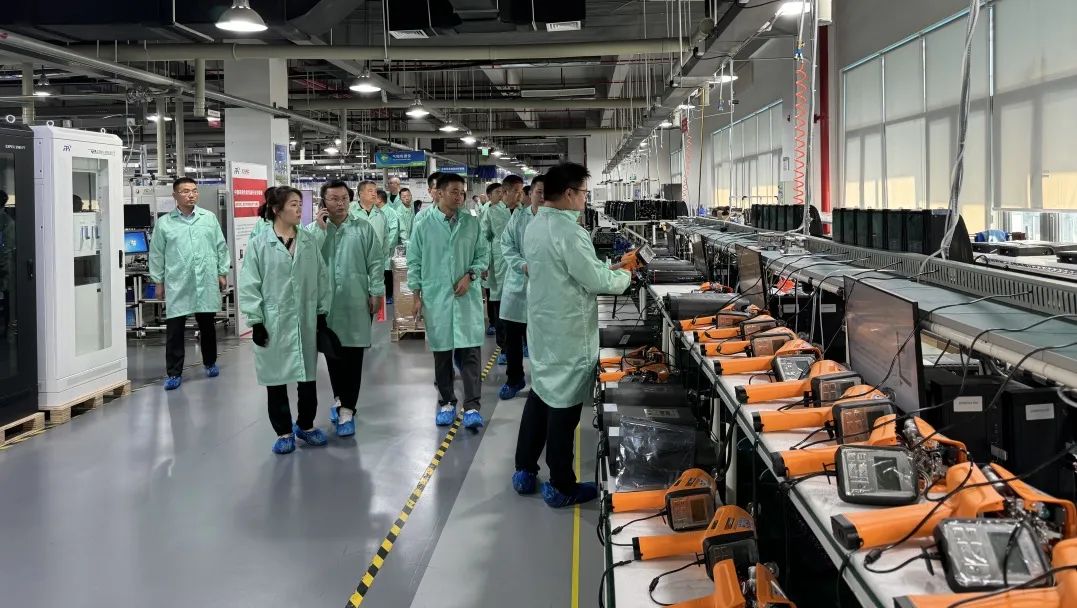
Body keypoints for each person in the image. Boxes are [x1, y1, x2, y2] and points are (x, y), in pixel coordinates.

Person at [513, 163, 631, 508]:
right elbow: (594, 281)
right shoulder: (569, 231)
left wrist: (608, 268)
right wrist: (626, 275)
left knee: (541, 395)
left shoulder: (535, 225)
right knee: (563, 410)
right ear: (569, 193)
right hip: (568, 333)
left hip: (544, 328)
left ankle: (524, 469)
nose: (584, 200)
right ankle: (562, 486)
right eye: (583, 193)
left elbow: (571, 270)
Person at [239, 186, 330, 454]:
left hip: (305, 319)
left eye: (300, 204)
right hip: (272, 321)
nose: (299, 209)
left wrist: (321, 314)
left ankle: (306, 425)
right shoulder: (259, 244)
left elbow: (321, 278)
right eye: (293, 204)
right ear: (276, 209)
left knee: (308, 378)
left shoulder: (308, 241)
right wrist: (256, 321)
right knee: (276, 380)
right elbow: (249, 284)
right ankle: (283, 432)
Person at [406, 172, 488, 430]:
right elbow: (414, 262)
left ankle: (472, 406)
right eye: (454, 191)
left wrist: (470, 275)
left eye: (462, 192)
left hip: (466, 297)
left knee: (470, 354)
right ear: (439, 193)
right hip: (437, 297)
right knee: (442, 355)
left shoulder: (471, 223)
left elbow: (482, 255)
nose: (459, 196)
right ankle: (447, 402)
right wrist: (416, 296)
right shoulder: (423, 225)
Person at [305, 180, 384, 437]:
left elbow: (375, 262)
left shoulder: (363, 228)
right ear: (323, 202)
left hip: (356, 301)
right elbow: (306, 260)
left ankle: (348, 409)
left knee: (354, 356)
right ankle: (340, 399)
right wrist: (320, 230)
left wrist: (376, 291)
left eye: (344, 199)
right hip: (326, 305)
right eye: (333, 199)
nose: (340, 204)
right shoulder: (312, 231)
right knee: (333, 355)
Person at [149, 177, 231, 391]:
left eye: (194, 191)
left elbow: (220, 246)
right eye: (185, 191)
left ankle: (210, 362)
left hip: (205, 279)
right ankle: (174, 373)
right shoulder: (165, 223)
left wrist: (222, 272)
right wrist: (158, 281)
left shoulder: (208, 218)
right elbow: (156, 253)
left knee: (207, 326)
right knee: (175, 330)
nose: (191, 195)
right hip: (178, 282)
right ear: (175, 195)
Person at [497, 175, 543, 400]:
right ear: (530, 193)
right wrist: (521, 264)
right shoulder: (519, 217)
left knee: (540, 341)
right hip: (517, 287)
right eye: (539, 192)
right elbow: (506, 244)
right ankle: (514, 379)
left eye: (547, 193)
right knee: (513, 340)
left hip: (544, 289)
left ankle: (542, 383)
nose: (542, 197)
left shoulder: (554, 220)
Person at [482, 174, 523, 361]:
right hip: (499, 261)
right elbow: (484, 237)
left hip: (520, 263)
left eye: (521, 192)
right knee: (500, 306)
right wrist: (485, 262)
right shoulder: (491, 211)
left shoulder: (524, 211)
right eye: (516, 191)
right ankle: (504, 348)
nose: (519, 195)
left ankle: (523, 343)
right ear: (505, 192)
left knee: (521, 304)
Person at [351, 182, 397, 306]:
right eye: (370, 191)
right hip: (354, 264)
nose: (374, 194)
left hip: (375, 265)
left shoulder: (381, 215)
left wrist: (383, 261)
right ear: (360, 194)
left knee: (373, 304)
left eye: (375, 191)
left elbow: (385, 241)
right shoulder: (350, 213)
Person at [375, 189, 402, 304]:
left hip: (387, 249)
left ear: (379, 199)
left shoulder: (390, 212)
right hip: (377, 248)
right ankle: (381, 294)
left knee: (387, 272)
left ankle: (389, 295)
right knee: (378, 272)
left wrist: (386, 247)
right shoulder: (376, 211)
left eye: (374, 196)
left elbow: (394, 231)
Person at [386, 175, 413, 244]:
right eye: (388, 183)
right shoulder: (387, 197)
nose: (388, 185)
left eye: (390, 183)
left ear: (397, 184)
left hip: (404, 230)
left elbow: (411, 216)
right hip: (391, 227)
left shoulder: (406, 197)